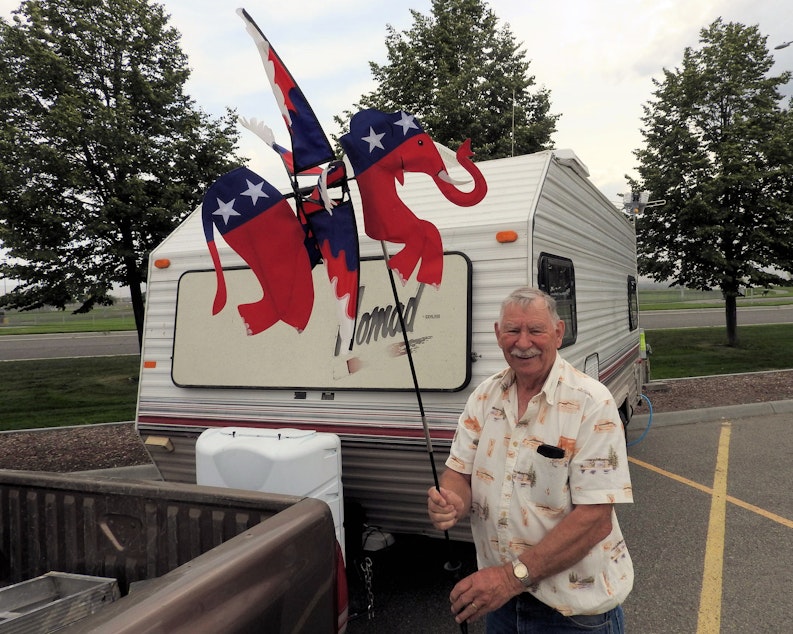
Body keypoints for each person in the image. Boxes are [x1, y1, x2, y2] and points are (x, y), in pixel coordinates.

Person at [427, 287, 633, 633]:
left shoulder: (591, 402)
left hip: (572, 613)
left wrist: (509, 579)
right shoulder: (484, 396)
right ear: (497, 333)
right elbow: (457, 474)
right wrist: (451, 502)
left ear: (558, 332)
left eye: (535, 330)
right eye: (512, 330)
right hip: (503, 604)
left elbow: (596, 520)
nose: (523, 342)